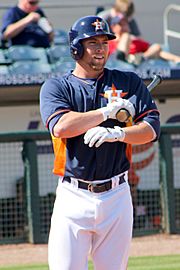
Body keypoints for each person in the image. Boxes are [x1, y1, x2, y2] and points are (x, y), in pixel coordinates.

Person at [40, 15, 160, 270]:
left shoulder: (127, 82)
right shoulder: (56, 86)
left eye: (104, 42)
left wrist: (119, 134)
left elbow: (150, 129)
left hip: (117, 195)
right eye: (92, 42)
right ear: (76, 48)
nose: (100, 48)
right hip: (74, 195)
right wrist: (106, 113)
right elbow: (61, 126)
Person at [109, 14, 180, 65]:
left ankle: (178, 60)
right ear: (113, 27)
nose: (124, 26)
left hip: (136, 65)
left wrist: (142, 57)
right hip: (118, 64)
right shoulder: (108, 42)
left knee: (157, 49)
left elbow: (156, 48)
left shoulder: (135, 41)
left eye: (125, 24)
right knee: (126, 36)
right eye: (121, 24)